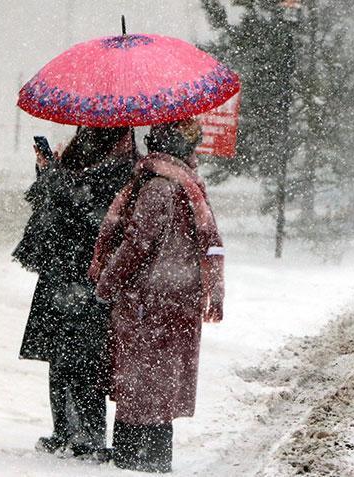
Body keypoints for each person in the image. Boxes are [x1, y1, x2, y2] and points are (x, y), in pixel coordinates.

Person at [88, 118, 224, 473]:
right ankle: (158, 458)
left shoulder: (157, 187)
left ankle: (132, 457)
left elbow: (137, 243)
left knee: (139, 382)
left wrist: (107, 284)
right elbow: (205, 245)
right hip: (179, 297)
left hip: (149, 301)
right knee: (160, 386)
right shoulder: (188, 185)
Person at [12, 126, 137, 460]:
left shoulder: (121, 167)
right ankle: (65, 431)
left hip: (84, 273)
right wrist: (48, 169)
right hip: (66, 271)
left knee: (83, 357)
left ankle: (87, 437)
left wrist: (55, 175)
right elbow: (61, 201)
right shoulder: (91, 158)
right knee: (62, 355)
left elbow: (86, 209)